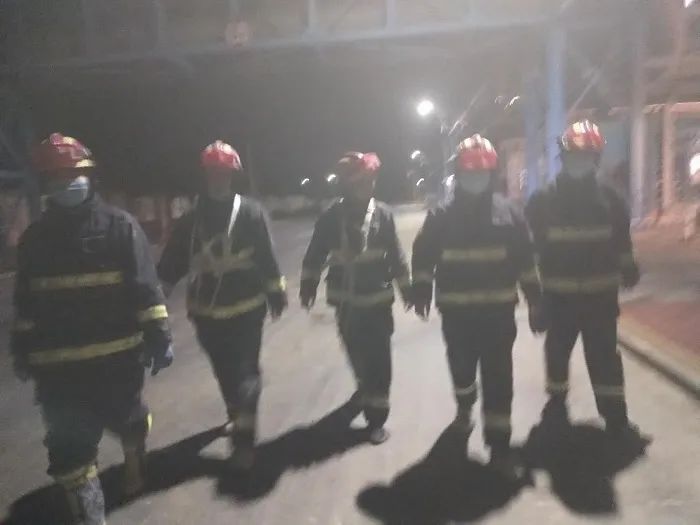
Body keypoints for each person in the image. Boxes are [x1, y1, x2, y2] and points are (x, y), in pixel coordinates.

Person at [11, 133, 173, 525]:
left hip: (116, 365)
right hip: (59, 373)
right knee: (70, 455)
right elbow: (26, 305)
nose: (66, 183)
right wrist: (22, 349)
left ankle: (134, 457)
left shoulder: (120, 227)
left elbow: (145, 289)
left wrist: (159, 336)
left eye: (73, 174)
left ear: (89, 176)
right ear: (45, 184)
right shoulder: (34, 241)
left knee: (129, 422)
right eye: (56, 177)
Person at [412, 135, 543, 477]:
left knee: (499, 379)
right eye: (470, 173)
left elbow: (525, 261)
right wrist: (421, 288)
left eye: (481, 173)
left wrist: (535, 299)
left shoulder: (510, 214)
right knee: (462, 372)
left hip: (498, 317)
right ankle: (465, 404)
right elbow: (423, 255)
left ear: (492, 174)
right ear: (459, 174)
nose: (476, 179)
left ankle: (499, 446)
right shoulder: (441, 216)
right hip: (457, 318)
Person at [158, 140, 287, 470]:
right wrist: (155, 303)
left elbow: (267, 257)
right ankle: (236, 414)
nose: (219, 178)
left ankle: (244, 442)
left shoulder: (251, 213)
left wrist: (276, 292)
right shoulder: (190, 222)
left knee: (246, 374)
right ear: (205, 175)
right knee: (225, 372)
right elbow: (170, 266)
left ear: (232, 175)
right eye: (214, 172)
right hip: (206, 316)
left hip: (247, 310)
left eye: (224, 173)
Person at [525, 120, 646, 444]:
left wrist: (629, 268)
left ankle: (615, 417)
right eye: (574, 155)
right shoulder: (542, 202)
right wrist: (535, 301)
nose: (580, 161)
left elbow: (622, 244)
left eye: (586, 155)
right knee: (557, 357)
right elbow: (530, 254)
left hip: (600, 302)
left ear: (596, 159)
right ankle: (557, 406)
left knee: (604, 360)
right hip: (558, 301)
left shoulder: (612, 200)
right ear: (563, 158)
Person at [300, 152, 411, 445]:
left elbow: (396, 255)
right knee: (358, 358)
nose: (368, 186)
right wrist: (308, 284)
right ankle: (365, 390)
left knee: (380, 361)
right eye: (362, 181)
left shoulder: (383, 214)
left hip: (378, 303)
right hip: (346, 305)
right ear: (348, 184)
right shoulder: (330, 218)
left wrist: (407, 288)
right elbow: (314, 255)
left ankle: (377, 419)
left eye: (371, 180)